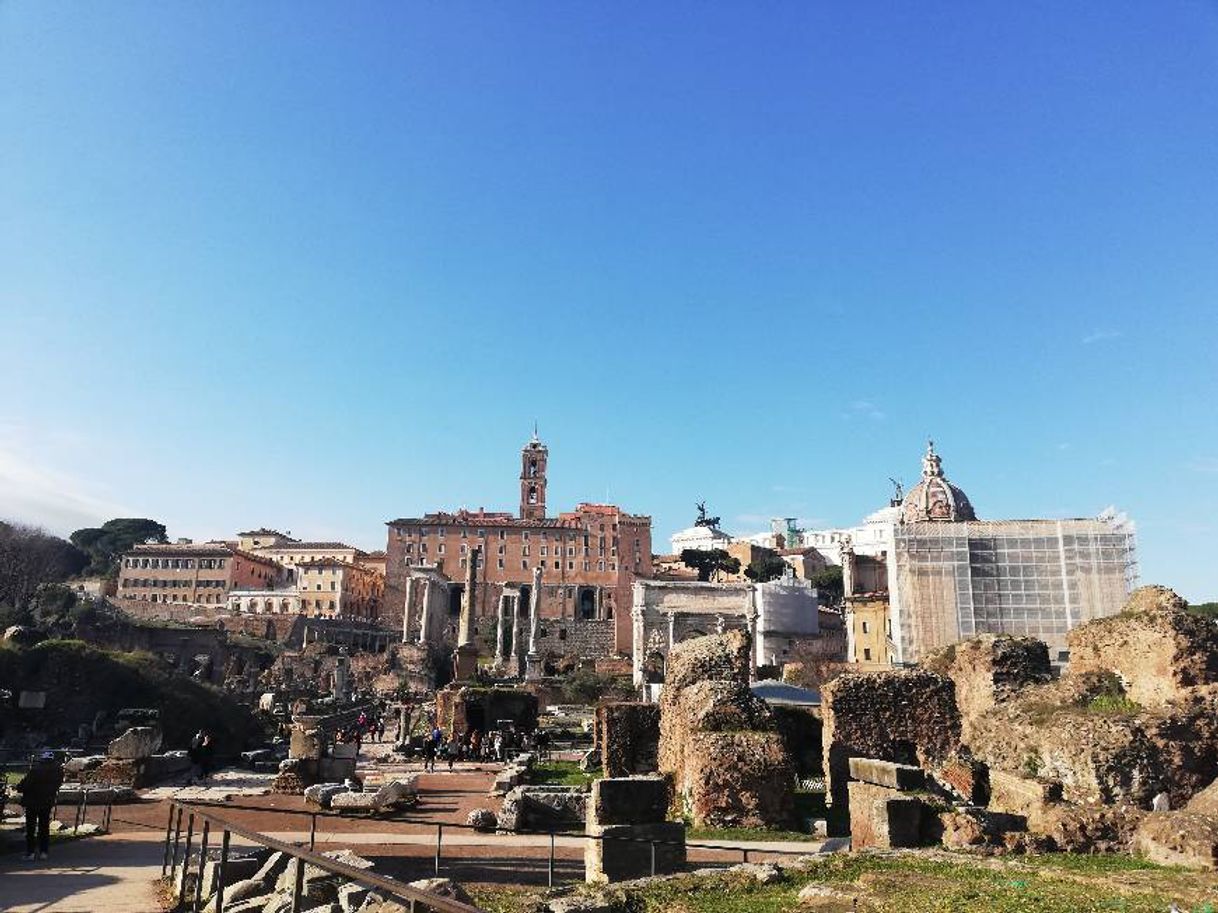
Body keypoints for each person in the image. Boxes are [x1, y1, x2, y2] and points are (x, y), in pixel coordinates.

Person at [16, 750, 63, 861]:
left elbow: (24, 785)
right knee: (44, 827)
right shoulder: (58, 771)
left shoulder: (36, 770)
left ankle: (30, 852)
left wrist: (19, 787)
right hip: (47, 802)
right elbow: (57, 785)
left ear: (42, 759)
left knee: (31, 828)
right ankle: (44, 852)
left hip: (32, 801)